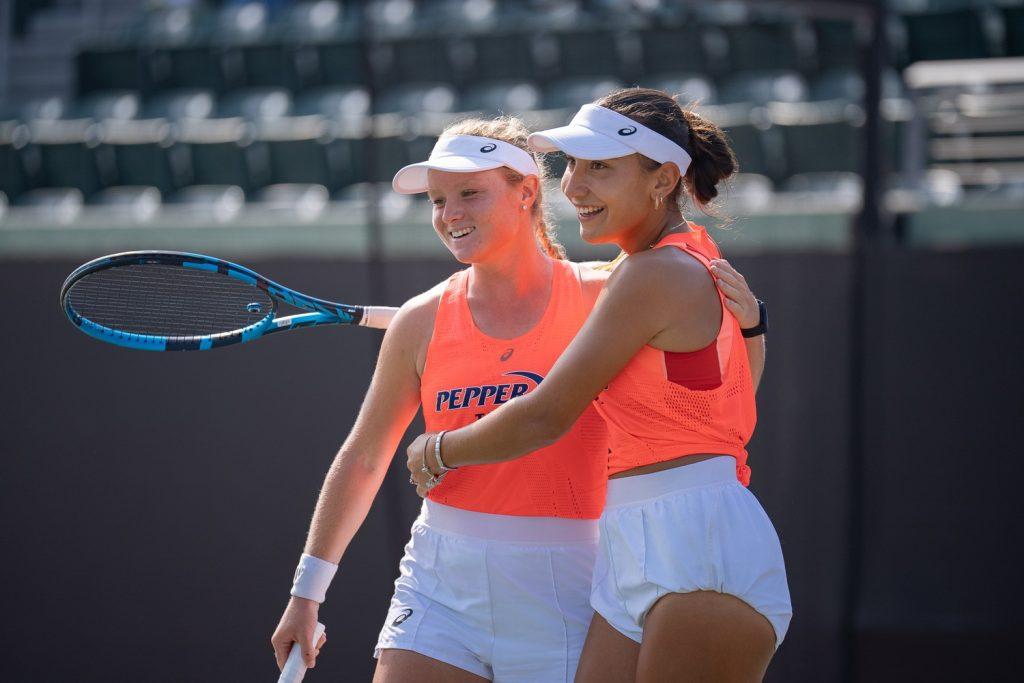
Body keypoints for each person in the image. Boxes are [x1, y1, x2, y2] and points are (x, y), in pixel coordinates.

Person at [407, 89, 791, 682]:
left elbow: (545, 416)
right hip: (639, 540)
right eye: (574, 166)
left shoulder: (653, 273)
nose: (574, 187)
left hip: (698, 546)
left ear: (664, 180)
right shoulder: (680, 262)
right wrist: (756, 332)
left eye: (600, 168)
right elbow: (720, 407)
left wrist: (437, 450)